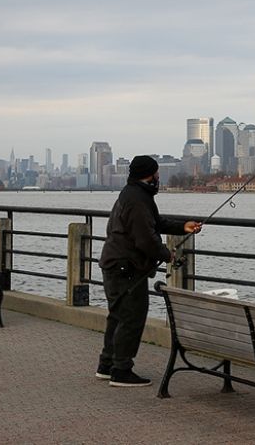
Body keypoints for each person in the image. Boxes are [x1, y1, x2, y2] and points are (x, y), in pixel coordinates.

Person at [95, 155, 202, 387]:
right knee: (131, 318)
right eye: (156, 174)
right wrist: (167, 254)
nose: (159, 178)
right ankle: (121, 370)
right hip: (126, 269)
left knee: (117, 316)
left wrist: (182, 226)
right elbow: (145, 239)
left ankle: (107, 365)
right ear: (150, 175)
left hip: (115, 264)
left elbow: (154, 222)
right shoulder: (138, 199)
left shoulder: (132, 194)